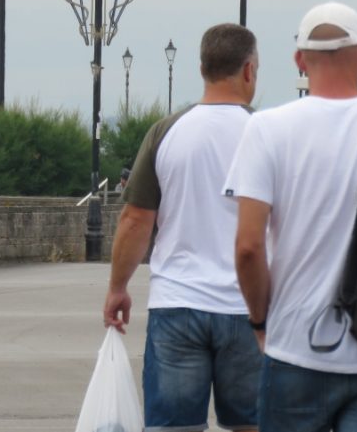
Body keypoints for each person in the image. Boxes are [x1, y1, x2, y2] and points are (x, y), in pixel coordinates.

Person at [224, 2, 357, 432]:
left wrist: (261, 321)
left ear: (299, 60)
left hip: (296, 346)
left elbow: (248, 247)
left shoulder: (268, 128)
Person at [104, 23, 261, 432]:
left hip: (178, 303)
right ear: (248, 71)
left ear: (201, 68)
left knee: (174, 426)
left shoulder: (166, 132)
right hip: (248, 308)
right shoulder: (267, 134)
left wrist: (118, 288)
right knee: (253, 423)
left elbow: (136, 219)